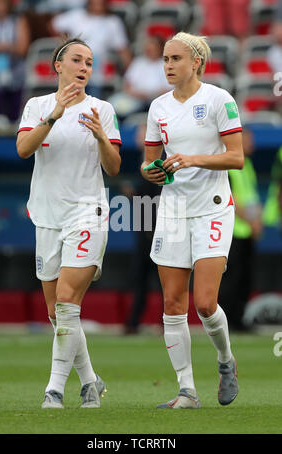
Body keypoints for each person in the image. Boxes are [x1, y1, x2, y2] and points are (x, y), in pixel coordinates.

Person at [16, 37, 122, 409]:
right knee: (56, 312)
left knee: (66, 302)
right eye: (77, 60)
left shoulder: (102, 110)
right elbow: (24, 150)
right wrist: (53, 115)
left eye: (90, 62)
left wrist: (100, 137)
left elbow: (113, 167)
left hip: (87, 213)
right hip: (46, 215)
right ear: (58, 66)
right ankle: (90, 381)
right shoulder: (38, 106)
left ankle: (54, 390)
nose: (84, 67)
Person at [141, 31, 243, 409]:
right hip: (173, 209)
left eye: (176, 59)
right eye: (166, 59)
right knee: (171, 302)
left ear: (196, 62)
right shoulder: (158, 107)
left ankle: (225, 360)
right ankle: (187, 391)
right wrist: (151, 171)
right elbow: (150, 160)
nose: (168, 66)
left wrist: (190, 158)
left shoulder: (219, 99)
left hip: (213, 206)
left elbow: (237, 158)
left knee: (203, 303)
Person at [218, 128, 263, 331]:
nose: (252, 143)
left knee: (246, 277)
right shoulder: (229, 165)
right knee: (231, 278)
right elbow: (232, 199)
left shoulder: (248, 165)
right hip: (233, 230)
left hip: (247, 231)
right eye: (248, 139)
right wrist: (252, 221)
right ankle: (227, 320)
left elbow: (251, 196)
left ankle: (239, 318)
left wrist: (258, 220)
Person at [50, 0, 132, 98]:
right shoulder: (76, 15)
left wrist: (131, 71)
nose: (97, 4)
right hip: (74, 63)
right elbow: (54, 24)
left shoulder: (112, 22)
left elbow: (122, 48)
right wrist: (64, 42)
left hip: (98, 67)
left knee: (91, 101)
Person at [0, 0, 30, 121]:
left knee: (14, 113)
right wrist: (1, 47)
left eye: (2, 3)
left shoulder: (19, 20)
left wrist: (4, 47)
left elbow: (23, 48)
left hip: (15, 72)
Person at [108, 35, 172, 120]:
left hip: (154, 101)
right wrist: (133, 93)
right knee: (110, 106)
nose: (149, 51)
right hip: (134, 97)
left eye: (152, 48)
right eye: (148, 48)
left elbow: (168, 90)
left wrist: (149, 95)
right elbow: (127, 83)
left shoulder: (166, 65)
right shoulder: (138, 62)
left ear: (160, 49)